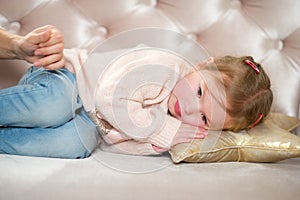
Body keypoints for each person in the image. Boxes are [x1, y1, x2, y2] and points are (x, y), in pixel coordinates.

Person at [0, 26, 273, 158]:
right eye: (200, 92)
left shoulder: (175, 126)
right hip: (67, 77)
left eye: (203, 119)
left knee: (75, 145)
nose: (190, 108)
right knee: (53, 105)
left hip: (88, 119)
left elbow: (124, 143)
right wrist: (164, 131)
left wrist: (167, 140)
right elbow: (110, 99)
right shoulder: (163, 67)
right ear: (202, 65)